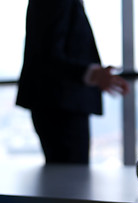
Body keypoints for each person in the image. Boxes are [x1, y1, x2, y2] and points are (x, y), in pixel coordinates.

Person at [16, 0, 129, 164]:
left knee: (68, 178)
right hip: (59, 106)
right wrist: (92, 74)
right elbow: (48, 54)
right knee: (70, 179)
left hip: (60, 104)